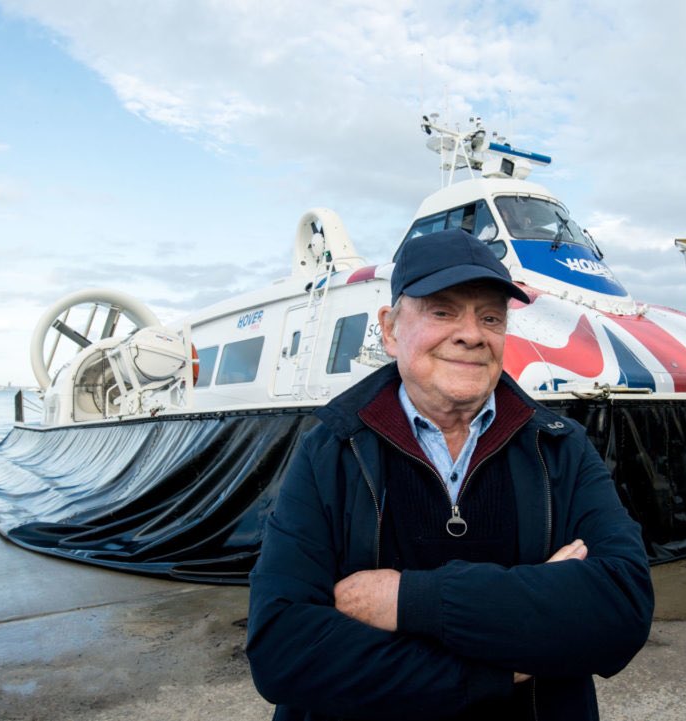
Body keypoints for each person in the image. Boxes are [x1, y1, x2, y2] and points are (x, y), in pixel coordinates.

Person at [247, 228, 653, 721]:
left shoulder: (560, 447)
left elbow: (622, 609)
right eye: (442, 311)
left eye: (491, 317)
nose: (472, 334)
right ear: (391, 330)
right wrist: (504, 661)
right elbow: (284, 649)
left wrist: (409, 601)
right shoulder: (330, 451)